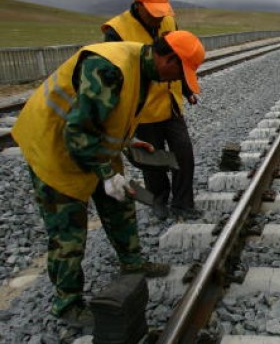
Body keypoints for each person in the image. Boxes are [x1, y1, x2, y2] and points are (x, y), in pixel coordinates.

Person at [11, 31, 206, 328]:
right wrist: (106, 173)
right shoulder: (108, 68)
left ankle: (132, 262)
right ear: (168, 59)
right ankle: (67, 305)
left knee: (120, 201)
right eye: (180, 73)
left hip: (93, 143)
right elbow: (77, 133)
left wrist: (126, 143)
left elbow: (109, 115)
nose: (175, 81)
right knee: (68, 232)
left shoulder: (143, 68)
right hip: (53, 146)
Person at [102, 0, 201, 220]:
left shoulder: (168, 20)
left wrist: (187, 88)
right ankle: (159, 200)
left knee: (183, 154)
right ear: (138, 6)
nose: (159, 18)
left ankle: (183, 204)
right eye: (153, 12)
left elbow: (178, 55)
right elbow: (114, 69)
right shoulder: (117, 29)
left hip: (170, 102)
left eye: (161, 12)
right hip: (142, 108)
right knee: (152, 160)